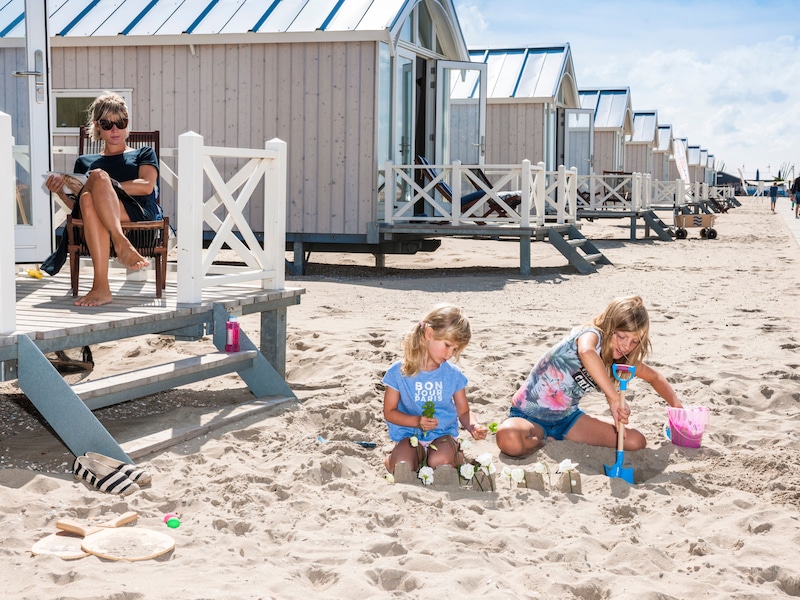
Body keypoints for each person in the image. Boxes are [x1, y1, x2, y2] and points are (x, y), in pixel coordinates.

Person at [496, 295, 683, 458]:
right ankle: (545, 442)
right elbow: (586, 352)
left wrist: (678, 409)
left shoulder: (619, 359)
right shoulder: (590, 335)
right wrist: (614, 399)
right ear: (609, 326)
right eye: (622, 337)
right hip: (528, 416)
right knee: (508, 438)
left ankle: (552, 440)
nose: (627, 346)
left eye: (635, 341)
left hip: (567, 421)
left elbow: (655, 377)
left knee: (636, 442)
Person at [45, 92, 160, 307]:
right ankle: (104, 283)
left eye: (121, 122)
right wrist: (61, 192)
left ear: (127, 123)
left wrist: (105, 185)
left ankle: (114, 254)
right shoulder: (84, 161)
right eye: (107, 124)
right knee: (87, 199)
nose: (115, 129)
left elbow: (146, 187)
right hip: (96, 220)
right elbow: (78, 206)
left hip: (136, 216)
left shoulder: (143, 153)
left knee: (97, 178)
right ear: (98, 126)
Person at [383, 304, 488, 474]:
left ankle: (455, 455)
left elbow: (463, 412)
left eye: (455, 349)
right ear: (429, 334)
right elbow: (389, 412)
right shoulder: (398, 372)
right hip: (409, 437)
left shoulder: (452, 374)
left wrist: (474, 426)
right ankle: (394, 458)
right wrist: (417, 421)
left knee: (440, 461)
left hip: (442, 436)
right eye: (447, 345)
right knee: (402, 466)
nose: (450, 354)